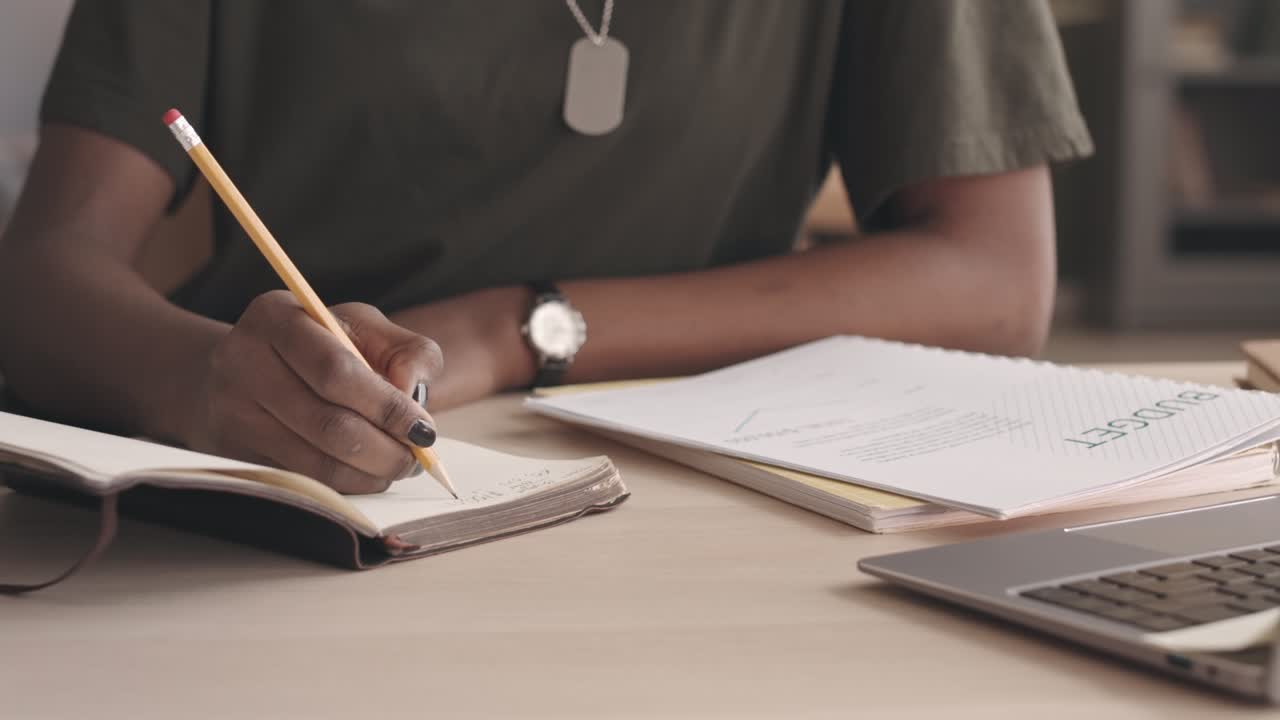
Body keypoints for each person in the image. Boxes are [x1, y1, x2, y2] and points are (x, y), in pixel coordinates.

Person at [0, 0, 1092, 494]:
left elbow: (993, 278)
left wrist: (512, 329)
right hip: (301, 486)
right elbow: (41, 278)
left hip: (720, 482)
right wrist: (203, 380)